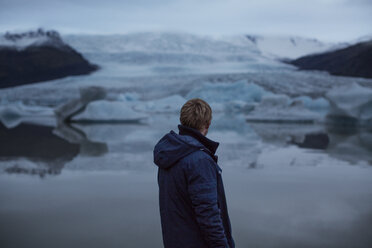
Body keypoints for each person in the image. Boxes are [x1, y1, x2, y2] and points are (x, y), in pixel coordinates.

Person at [153, 98, 235, 248]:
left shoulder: (169, 155)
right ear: (208, 123)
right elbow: (209, 216)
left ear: (182, 121)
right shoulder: (199, 161)